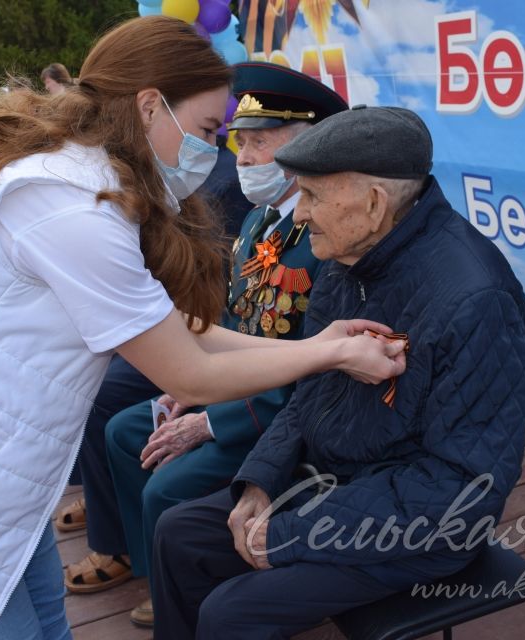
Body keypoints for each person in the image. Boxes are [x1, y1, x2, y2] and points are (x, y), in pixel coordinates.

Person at [0, 17, 405, 640]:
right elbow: (188, 367)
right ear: (151, 106)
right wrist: (328, 356)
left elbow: (174, 327)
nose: (214, 152)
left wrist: (320, 344)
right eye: (209, 129)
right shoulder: (67, 201)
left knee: (44, 611)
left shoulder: (57, 167)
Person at [151, 105, 525, 640]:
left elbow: (459, 487)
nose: (298, 215)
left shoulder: (476, 302)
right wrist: (261, 482)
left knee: (232, 611)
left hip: (418, 528)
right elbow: (309, 393)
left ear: (375, 203)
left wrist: (289, 532)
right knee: (178, 534)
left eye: (312, 196)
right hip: (336, 487)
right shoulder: (353, 256)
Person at [61, 61, 349, 628]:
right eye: (240, 143)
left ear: (308, 145)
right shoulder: (261, 224)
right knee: (125, 432)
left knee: (168, 485)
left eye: (259, 144)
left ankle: (186, 585)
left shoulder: (321, 238)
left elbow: (312, 366)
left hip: (277, 414)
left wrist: (213, 419)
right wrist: (187, 387)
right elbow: (240, 324)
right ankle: (155, 570)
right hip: (235, 390)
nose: (241, 157)